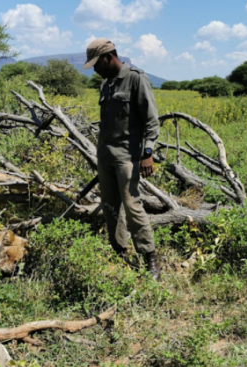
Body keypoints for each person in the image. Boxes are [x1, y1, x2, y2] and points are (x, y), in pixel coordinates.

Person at [83, 38, 160, 280]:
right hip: (105, 156)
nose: (95, 69)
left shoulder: (136, 78)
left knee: (133, 206)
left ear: (109, 57)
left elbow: (151, 120)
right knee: (110, 208)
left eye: (97, 64)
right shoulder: (105, 85)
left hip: (128, 157)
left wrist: (148, 154)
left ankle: (150, 258)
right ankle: (119, 254)